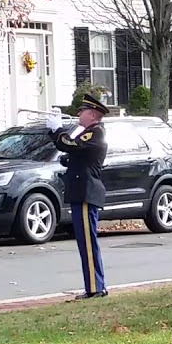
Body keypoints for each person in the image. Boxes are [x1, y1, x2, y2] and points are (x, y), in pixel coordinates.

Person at [48, 96, 110, 301]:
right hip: (81, 192)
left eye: (82, 111)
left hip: (86, 193)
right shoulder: (89, 134)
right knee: (85, 243)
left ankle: (95, 288)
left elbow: (70, 145)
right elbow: (71, 153)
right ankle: (94, 286)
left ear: (92, 114)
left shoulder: (95, 132)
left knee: (88, 243)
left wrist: (57, 130)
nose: (78, 114)